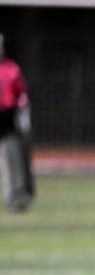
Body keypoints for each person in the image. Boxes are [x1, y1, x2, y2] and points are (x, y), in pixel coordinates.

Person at [0, 33, 34, 212]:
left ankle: (16, 196)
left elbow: (22, 95)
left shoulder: (11, 69)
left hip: (6, 118)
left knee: (13, 158)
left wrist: (23, 117)